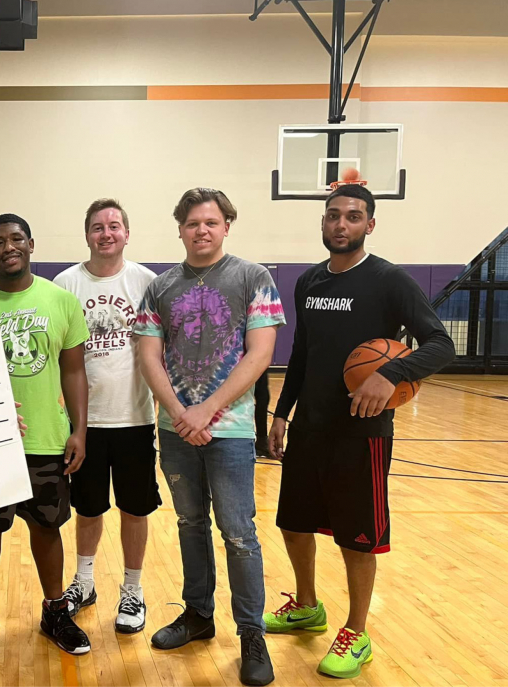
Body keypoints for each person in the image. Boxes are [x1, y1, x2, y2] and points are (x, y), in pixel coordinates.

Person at [265, 184, 455, 679]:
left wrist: (390, 373)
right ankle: (306, 604)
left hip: (363, 433)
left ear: (369, 225)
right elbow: (302, 354)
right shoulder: (308, 282)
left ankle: (357, 631)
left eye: (353, 217)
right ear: (323, 223)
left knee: (358, 537)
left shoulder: (390, 281)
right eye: (333, 216)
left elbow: (441, 344)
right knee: (294, 521)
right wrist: (282, 412)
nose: (341, 224)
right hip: (309, 427)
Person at [134, 187, 284, 686]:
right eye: (193, 222)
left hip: (232, 431)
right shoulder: (160, 286)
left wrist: (206, 410)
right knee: (189, 523)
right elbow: (150, 355)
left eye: (211, 222)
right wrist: (179, 412)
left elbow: (259, 355)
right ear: (180, 228)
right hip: (176, 428)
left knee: (239, 534)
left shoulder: (252, 278)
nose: (202, 230)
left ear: (226, 227)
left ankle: (250, 633)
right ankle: (198, 615)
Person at [0, 214, 92, 666]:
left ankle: (55, 611)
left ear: (31, 244)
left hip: (47, 439)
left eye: (16, 239)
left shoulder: (60, 300)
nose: (7, 247)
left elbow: (73, 370)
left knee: (47, 526)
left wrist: (79, 429)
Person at [52, 199, 159, 633]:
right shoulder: (65, 284)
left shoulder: (147, 282)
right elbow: (58, 355)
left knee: (136, 509)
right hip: (84, 424)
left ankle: (132, 590)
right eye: (98, 227)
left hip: (135, 418)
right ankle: (84, 581)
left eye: (114, 226)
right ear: (87, 235)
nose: (106, 233)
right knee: (88, 508)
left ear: (127, 234)